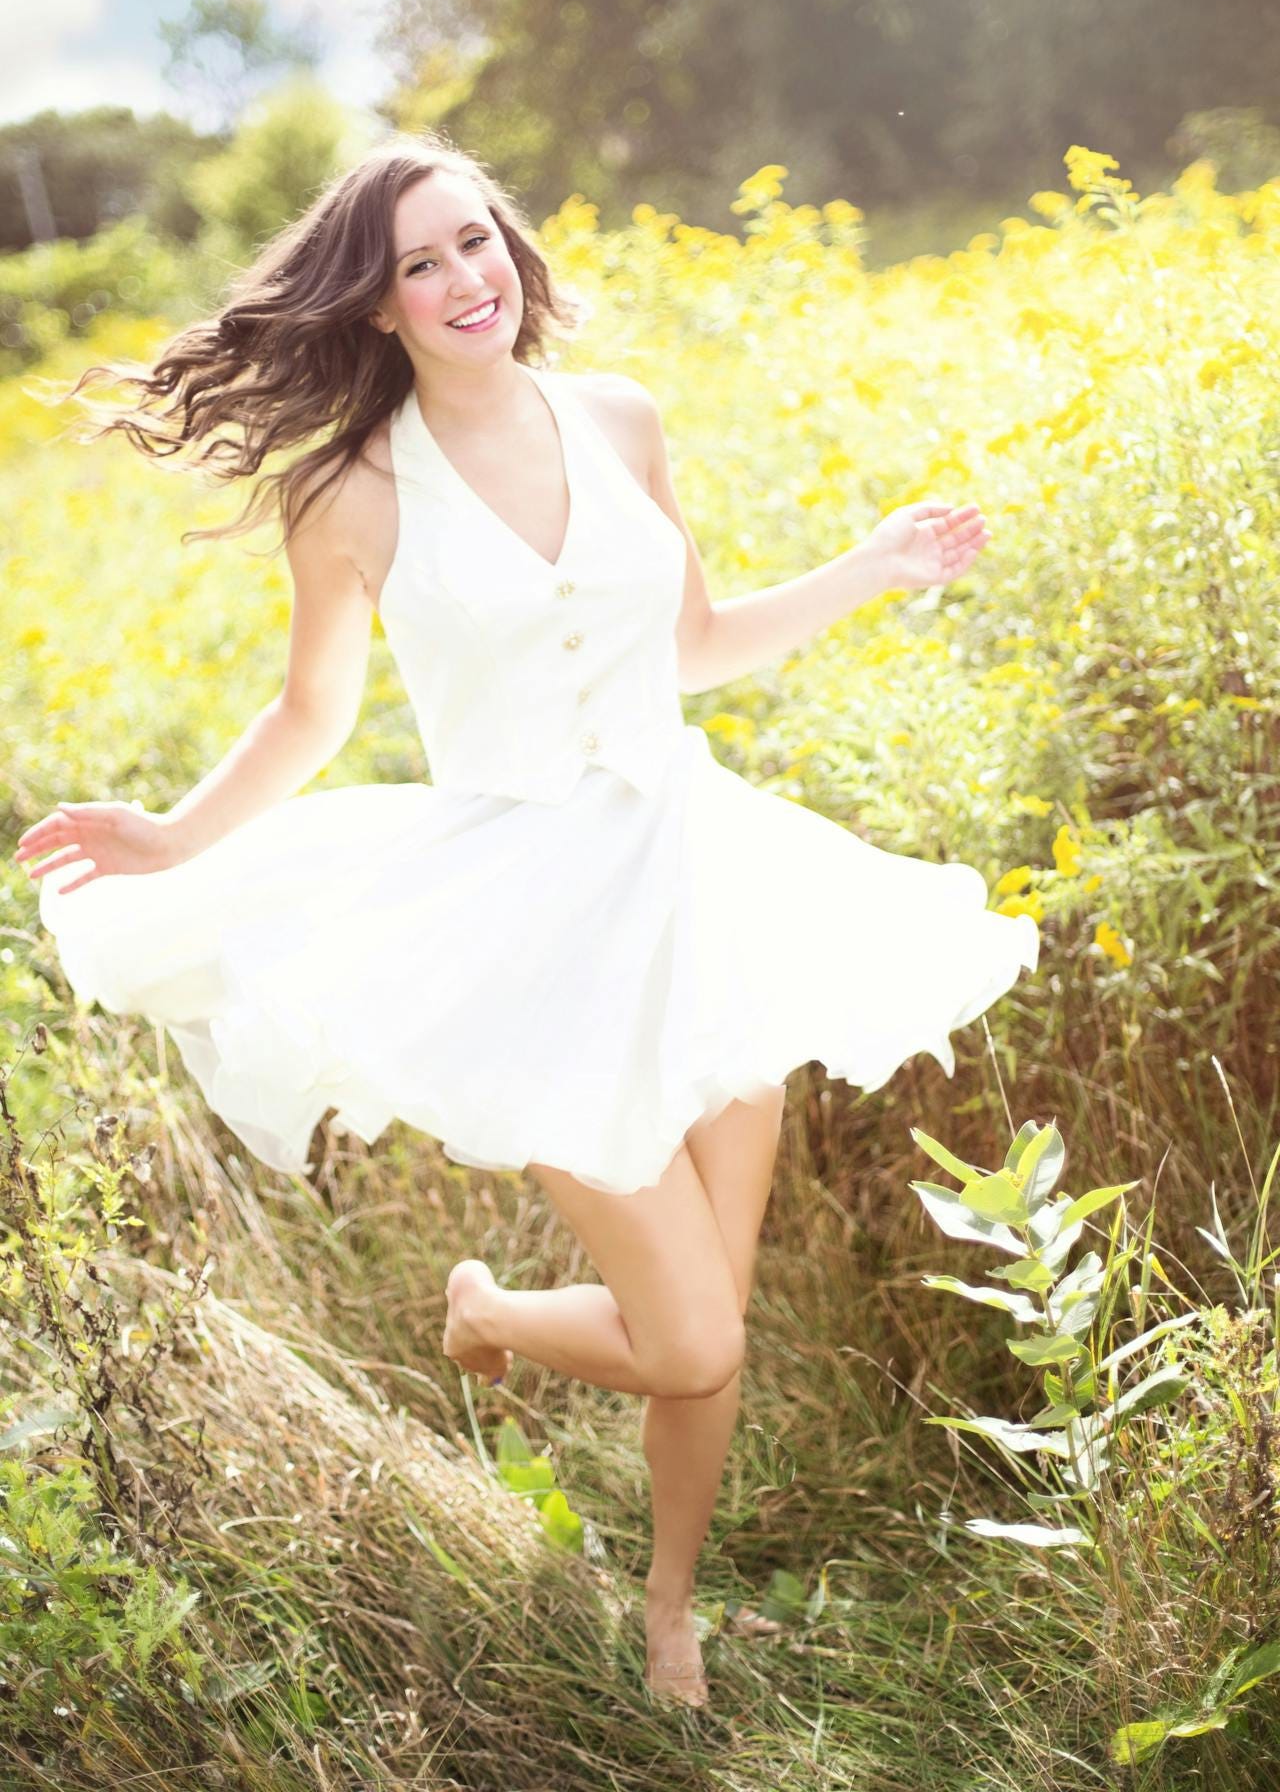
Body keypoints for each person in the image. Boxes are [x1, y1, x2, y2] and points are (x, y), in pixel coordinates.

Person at [15, 131, 1039, 1707]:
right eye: (419, 262)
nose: (461, 278)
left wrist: (874, 565)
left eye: (474, 240)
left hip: (706, 888)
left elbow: (691, 646)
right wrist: (169, 833)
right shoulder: (348, 497)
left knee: (717, 1324)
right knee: (686, 1337)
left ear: (511, 249)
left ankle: (672, 1614)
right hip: (530, 930)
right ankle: (485, 1311)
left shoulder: (619, 417)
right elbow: (309, 717)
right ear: (377, 306)